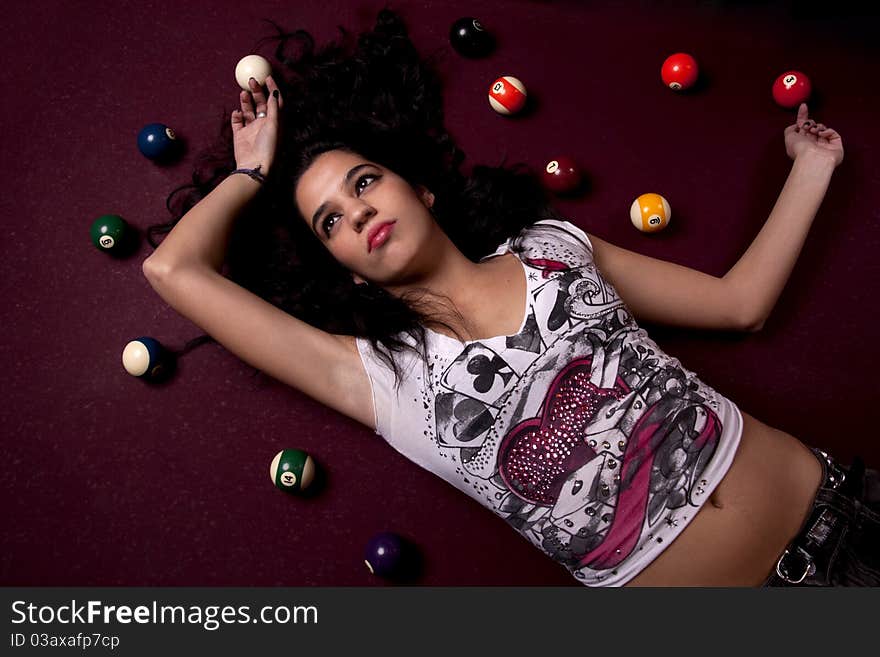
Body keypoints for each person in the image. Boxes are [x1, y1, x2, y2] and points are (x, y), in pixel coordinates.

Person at [143, 9, 875, 587]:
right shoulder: (378, 380)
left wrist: (813, 166)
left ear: (419, 188)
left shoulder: (552, 244)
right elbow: (174, 270)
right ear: (347, 270)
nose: (358, 211)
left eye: (364, 182)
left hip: (843, 506)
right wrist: (251, 174)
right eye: (330, 220)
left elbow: (739, 304)